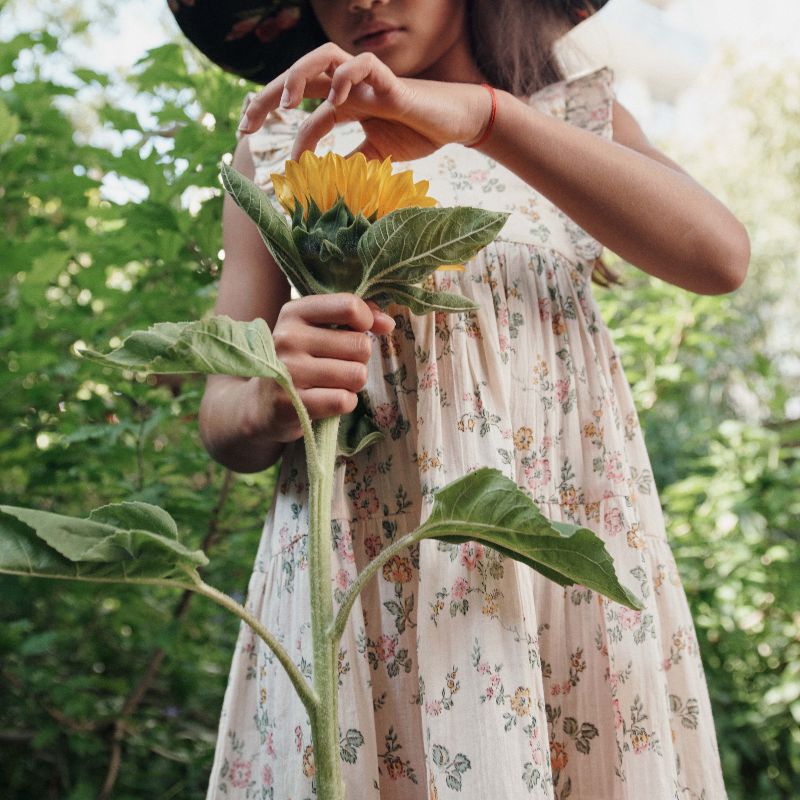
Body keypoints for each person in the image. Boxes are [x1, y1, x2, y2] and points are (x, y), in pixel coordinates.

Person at [171, 1, 749, 797]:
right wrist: (269, 398)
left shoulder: (565, 120)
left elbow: (719, 256)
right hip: (365, 588)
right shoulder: (284, 142)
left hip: (554, 574)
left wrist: (486, 118)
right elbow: (221, 412)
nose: (361, 0)